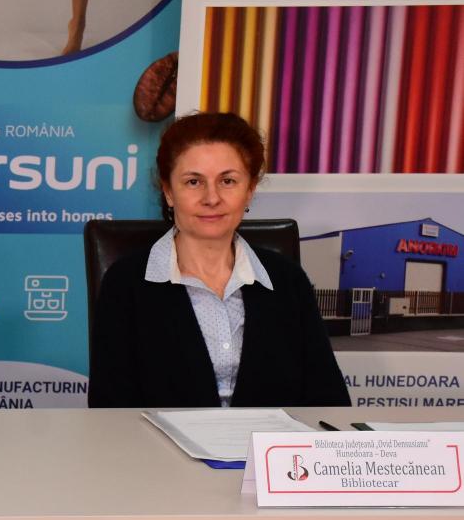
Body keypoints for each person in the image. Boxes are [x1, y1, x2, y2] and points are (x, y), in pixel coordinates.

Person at [88, 113, 350, 409]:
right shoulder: (125, 284)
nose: (211, 198)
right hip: (155, 441)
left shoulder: (287, 280)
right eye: (193, 182)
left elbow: (329, 400)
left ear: (249, 190)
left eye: (227, 181)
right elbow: (110, 409)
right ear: (169, 191)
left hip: (267, 440)